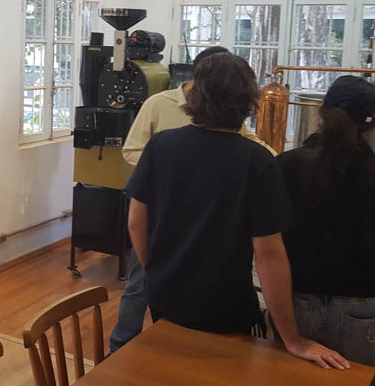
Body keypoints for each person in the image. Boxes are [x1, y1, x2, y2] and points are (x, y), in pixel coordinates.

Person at [126, 52, 349, 370]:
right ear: (247, 102)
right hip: (224, 306)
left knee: (171, 369)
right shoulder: (256, 161)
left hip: (165, 297)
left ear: (196, 95)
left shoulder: (160, 146)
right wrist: (293, 339)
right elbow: (269, 254)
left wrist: (157, 271)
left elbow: (136, 222)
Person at [110, 46, 275, 353]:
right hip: (162, 213)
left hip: (193, 221)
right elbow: (132, 151)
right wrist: (166, 172)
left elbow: (246, 139)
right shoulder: (158, 107)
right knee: (138, 285)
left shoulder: (238, 141)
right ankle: (120, 347)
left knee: (174, 332)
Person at [276, 75, 375, 385]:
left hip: (295, 306)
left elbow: (266, 242)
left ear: (321, 111)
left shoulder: (283, 167)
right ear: (374, 125)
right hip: (367, 311)